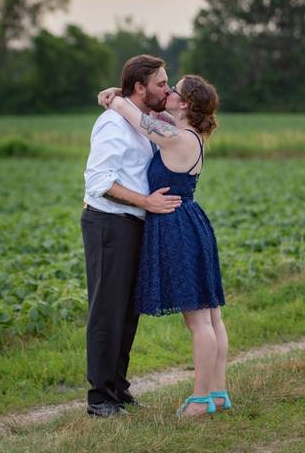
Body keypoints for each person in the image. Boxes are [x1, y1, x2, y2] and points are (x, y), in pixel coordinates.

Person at [97, 74, 230, 418]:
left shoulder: (175, 137)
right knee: (212, 316)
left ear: (184, 103)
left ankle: (200, 400)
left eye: (175, 90)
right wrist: (118, 92)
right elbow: (151, 116)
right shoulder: (189, 133)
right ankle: (217, 393)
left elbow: (138, 118)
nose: (168, 92)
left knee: (199, 321)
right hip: (193, 221)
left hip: (177, 226)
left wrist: (117, 98)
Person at [80, 54, 182, 418]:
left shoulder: (141, 121)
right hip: (109, 223)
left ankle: (118, 389)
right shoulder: (112, 125)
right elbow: (100, 182)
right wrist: (147, 202)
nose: (166, 88)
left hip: (133, 222)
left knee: (126, 312)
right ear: (139, 87)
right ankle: (99, 398)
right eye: (160, 83)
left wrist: (115, 96)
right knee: (107, 310)